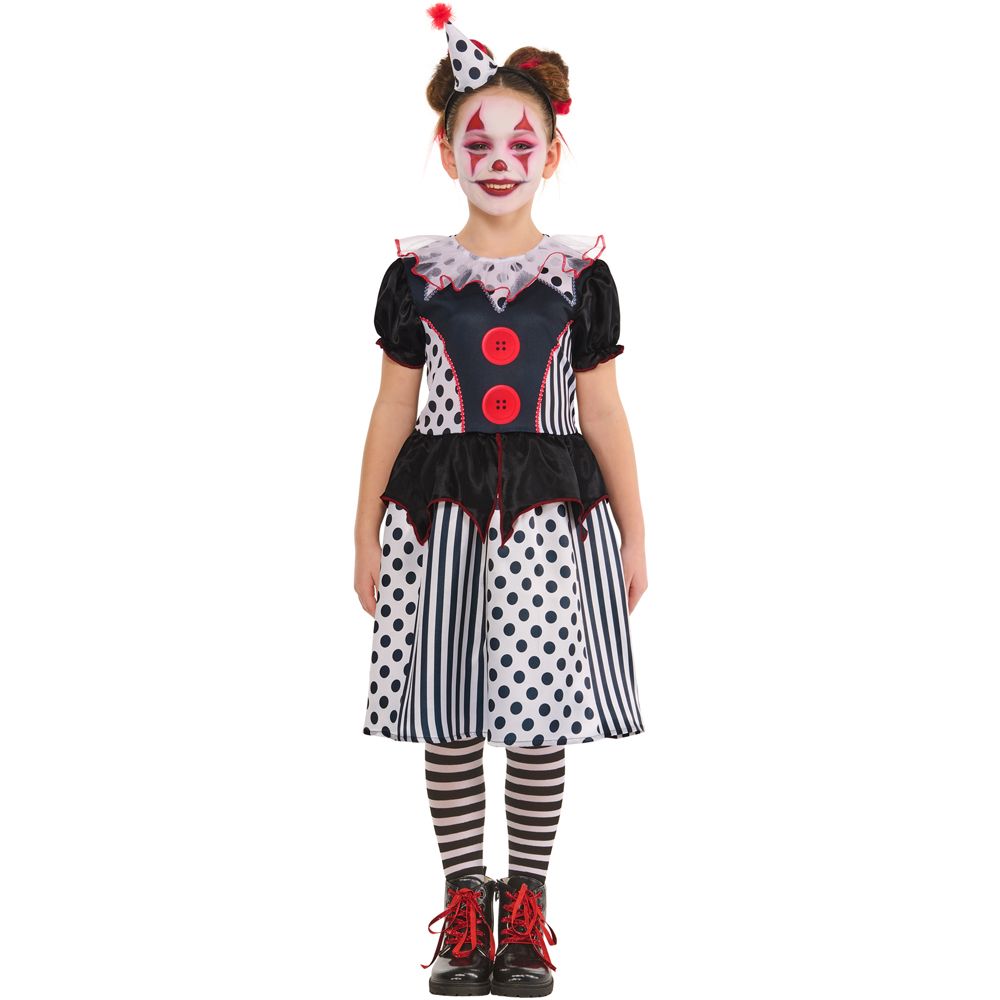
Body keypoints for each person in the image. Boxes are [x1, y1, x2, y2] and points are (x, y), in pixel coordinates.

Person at [354, 5, 647, 995]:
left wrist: (635, 534)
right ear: (446, 153)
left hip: (549, 525)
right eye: (476, 142)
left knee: (536, 711)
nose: (498, 159)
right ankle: (462, 907)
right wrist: (362, 532)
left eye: (522, 143)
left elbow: (602, 412)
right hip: (434, 519)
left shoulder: (578, 278)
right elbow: (392, 407)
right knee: (446, 706)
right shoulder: (416, 279)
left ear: (552, 155)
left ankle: (524, 909)